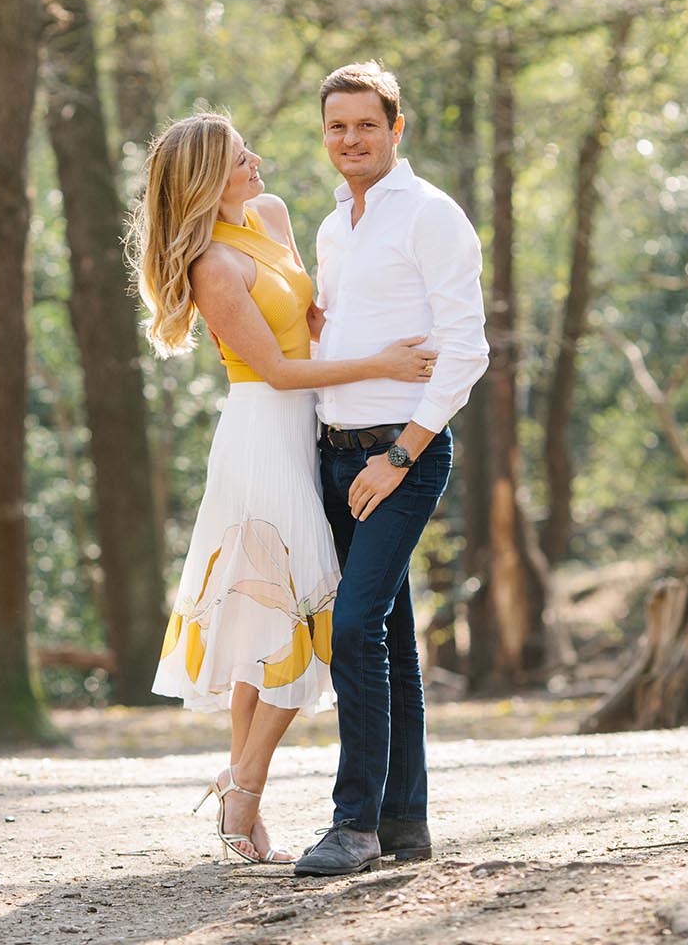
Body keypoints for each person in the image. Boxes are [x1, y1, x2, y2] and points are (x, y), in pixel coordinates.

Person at [133, 112, 441, 864]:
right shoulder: (212, 264)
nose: (258, 162)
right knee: (302, 617)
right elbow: (275, 370)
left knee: (265, 621)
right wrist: (382, 364)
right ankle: (243, 784)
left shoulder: (270, 215)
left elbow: (310, 314)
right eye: (242, 159)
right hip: (261, 441)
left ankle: (240, 800)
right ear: (208, 179)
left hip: (315, 435)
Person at [292, 63, 490, 877]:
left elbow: (467, 349)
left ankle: (355, 825)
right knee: (392, 639)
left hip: (399, 453)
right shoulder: (336, 225)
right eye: (337, 126)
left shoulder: (431, 215)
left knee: (355, 626)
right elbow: (338, 338)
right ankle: (408, 823)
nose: (351, 140)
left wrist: (401, 452)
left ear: (395, 128)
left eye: (366, 125)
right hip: (335, 452)